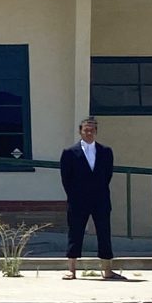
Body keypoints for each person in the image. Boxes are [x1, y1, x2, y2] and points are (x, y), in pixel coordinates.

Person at [57, 116, 123, 280]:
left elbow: (107, 175)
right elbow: (66, 178)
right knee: (75, 232)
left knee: (104, 232)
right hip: (78, 199)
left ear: (96, 132)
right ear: (80, 131)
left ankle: (107, 270)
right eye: (86, 130)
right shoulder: (70, 152)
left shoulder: (106, 151)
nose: (89, 133)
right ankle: (71, 270)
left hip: (100, 198)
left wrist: (98, 191)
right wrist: (74, 196)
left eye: (92, 130)